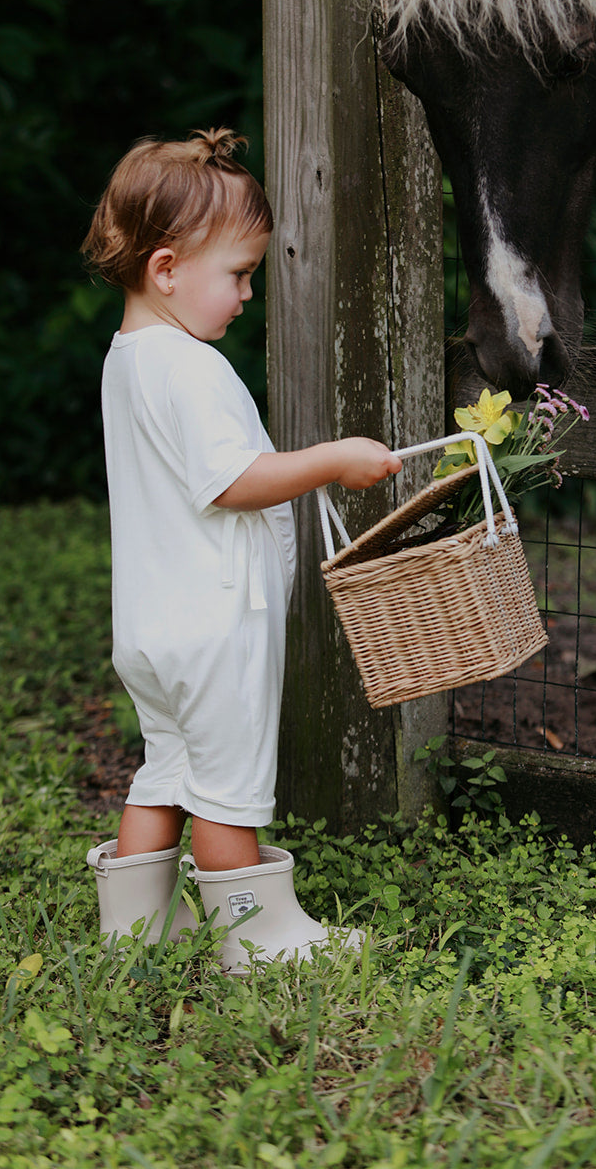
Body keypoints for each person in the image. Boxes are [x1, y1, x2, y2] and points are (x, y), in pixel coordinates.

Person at [80, 127, 401, 970]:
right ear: (167, 269)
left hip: (152, 629)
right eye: (238, 274)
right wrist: (335, 459)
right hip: (215, 628)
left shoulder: (128, 360)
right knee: (226, 792)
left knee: (167, 772)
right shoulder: (191, 369)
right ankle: (259, 940)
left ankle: (135, 926)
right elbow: (233, 481)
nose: (247, 294)